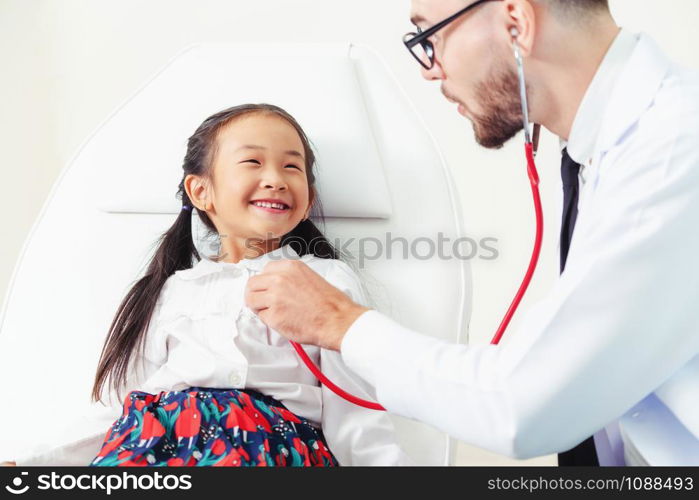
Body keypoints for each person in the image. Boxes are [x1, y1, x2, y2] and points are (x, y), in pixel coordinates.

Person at [244, 0, 699, 465]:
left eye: (430, 38)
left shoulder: (675, 152)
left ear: (516, 23)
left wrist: (339, 321)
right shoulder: (603, 153)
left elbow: (522, 405)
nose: (429, 69)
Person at [6, 104, 409, 467]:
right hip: (156, 448)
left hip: (268, 449)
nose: (275, 179)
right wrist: (32, 464)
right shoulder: (170, 292)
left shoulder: (324, 280)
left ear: (308, 199)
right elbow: (118, 410)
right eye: (252, 161)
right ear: (201, 191)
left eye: (292, 167)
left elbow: (354, 407)